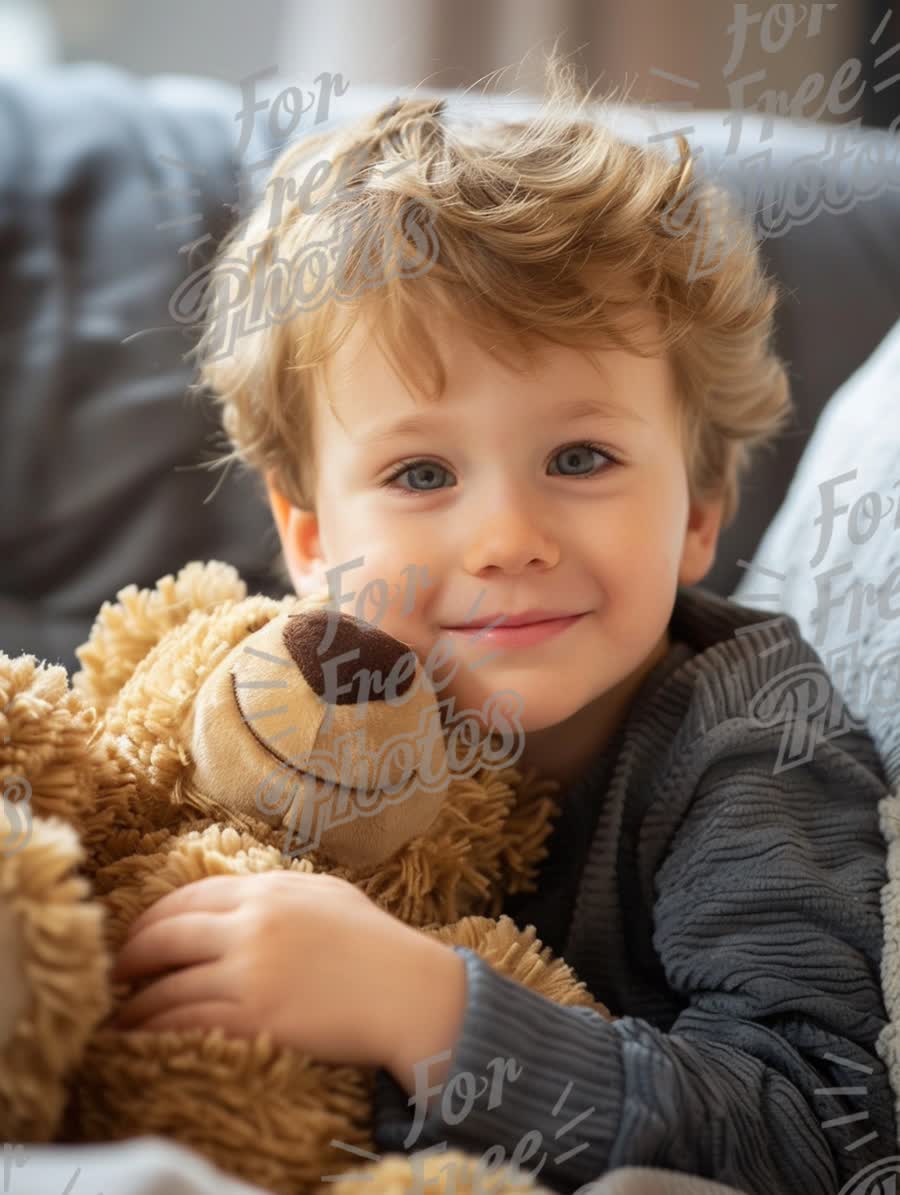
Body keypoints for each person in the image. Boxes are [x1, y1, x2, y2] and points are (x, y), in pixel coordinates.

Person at [113, 51, 896, 1195]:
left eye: (580, 458)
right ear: (313, 538)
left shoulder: (752, 742)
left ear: (700, 512)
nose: (507, 537)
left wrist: (416, 1002)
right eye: (423, 471)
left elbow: (823, 1134)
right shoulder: (285, 709)